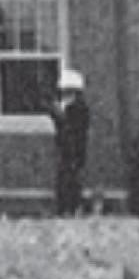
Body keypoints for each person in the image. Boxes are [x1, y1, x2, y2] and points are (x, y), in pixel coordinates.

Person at [48, 69, 91, 216]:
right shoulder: (66, 106)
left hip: (74, 148)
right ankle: (64, 207)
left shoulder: (79, 108)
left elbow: (72, 127)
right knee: (64, 177)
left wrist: (60, 115)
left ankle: (72, 207)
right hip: (65, 146)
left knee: (71, 177)